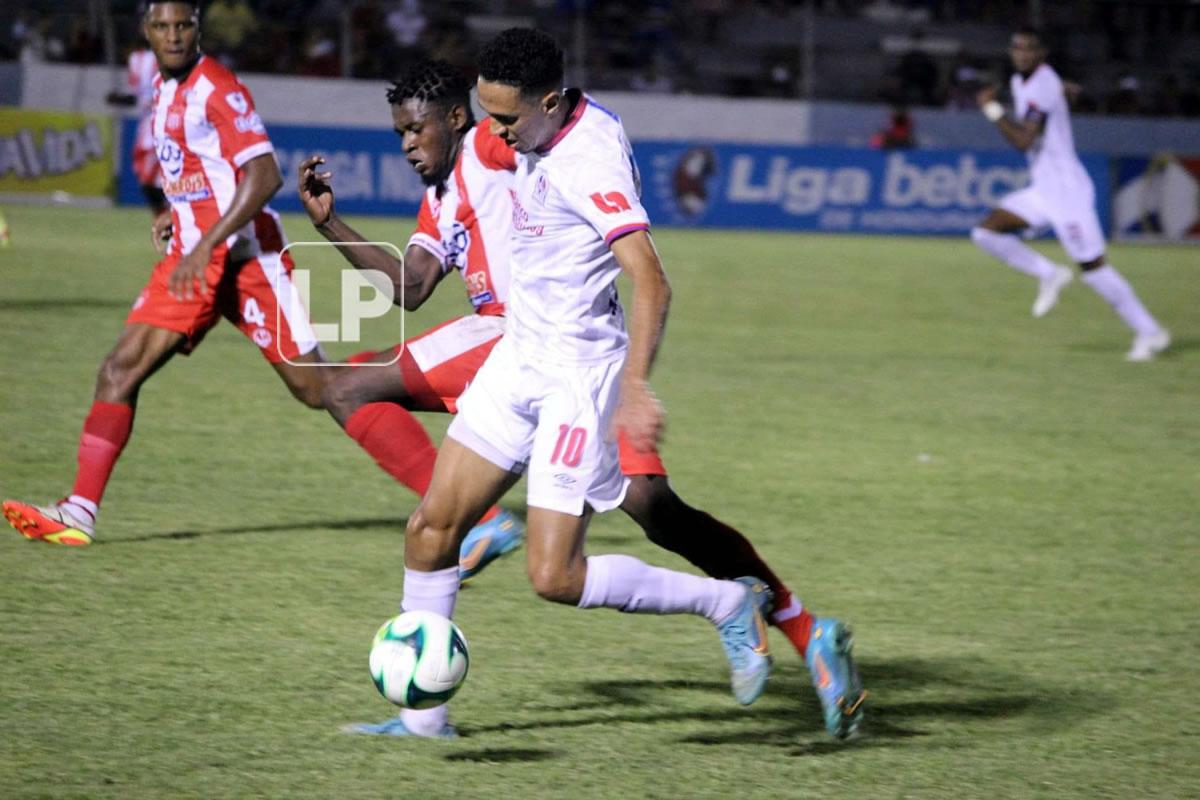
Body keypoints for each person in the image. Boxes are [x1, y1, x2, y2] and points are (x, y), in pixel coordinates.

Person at [304, 58, 865, 739]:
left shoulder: (500, 143)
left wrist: (634, 387)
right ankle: (424, 721)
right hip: (519, 356)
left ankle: (758, 615)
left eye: (415, 130)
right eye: (397, 134)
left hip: (569, 359)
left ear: (467, 118)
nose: (406, 145)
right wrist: (330, 225)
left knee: (600, 542)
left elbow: (635, 255)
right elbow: (412, 283)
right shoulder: (450, 189)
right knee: (645, 514)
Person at [2, 0, 334, 546]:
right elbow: (204, 173)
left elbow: (264, 173)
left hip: (232, 254)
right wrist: (174, 213)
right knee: (120, 370)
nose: (174, 35)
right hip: (202, 252)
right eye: (163, 25)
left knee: (323, 390)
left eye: (184, 25)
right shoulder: (164, 89)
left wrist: (203, 243)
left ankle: (458, 490)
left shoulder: (215, 87)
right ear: (147, 31)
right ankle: (79, 509)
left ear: (197, 27)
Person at [971, 27, 1170, 361]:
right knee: (985, 232)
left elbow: (1024, 140)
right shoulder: (1026, 82)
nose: (1021, 53)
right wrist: (1067, 90)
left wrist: (992, 110)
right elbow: (1055, 91)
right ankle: (1049, 274)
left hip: (1067, 193)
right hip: (1044, 190)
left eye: (1029, 48)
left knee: (1094, 269)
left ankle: (1150, 332)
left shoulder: (1042, 85)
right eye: (1016, 47)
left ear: (1041, 53)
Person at [107, 46, 167, 214]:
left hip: (167, 129)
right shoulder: (139, 59)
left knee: (157, 180)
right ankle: (167, 221)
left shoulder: (176, 59)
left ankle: (172, 222)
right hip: (147, 129)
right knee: (147, 179)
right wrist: (121, 99)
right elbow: (138, 96)